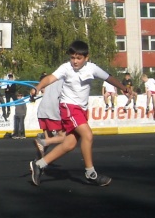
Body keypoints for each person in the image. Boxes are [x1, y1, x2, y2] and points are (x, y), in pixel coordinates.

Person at [29, 40, 127, 187]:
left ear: (86, 58)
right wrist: (37, 88)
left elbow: (109, 77)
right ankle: (90, 172)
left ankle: (39, 164)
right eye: (72, 57)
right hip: (69, 108)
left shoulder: (92, 68)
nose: (75, 61)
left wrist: (123, 88)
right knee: (88, 135)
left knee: (69, 144)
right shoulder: (65, 68)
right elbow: (49, 78)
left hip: (81, 109)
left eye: (78, 58)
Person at [31, 74, 67, 168]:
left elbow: (38, 90)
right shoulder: (67, 80)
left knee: (48, 138)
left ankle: (39, 163)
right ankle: (41, 143)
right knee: (64, 137)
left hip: (42, 109)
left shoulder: (50, 79)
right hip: (53, 109)